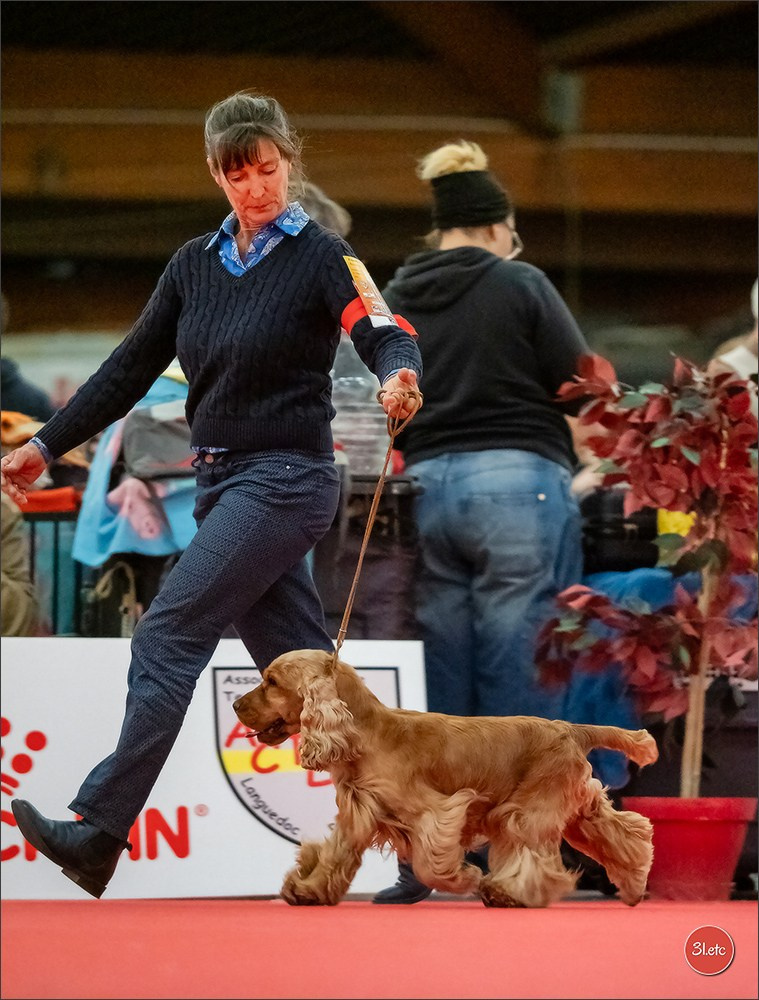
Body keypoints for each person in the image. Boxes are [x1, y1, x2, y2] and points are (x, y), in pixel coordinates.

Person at [1, 90, 422, 899]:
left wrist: (398, 374)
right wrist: (45, 445)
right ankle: (418, 847)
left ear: (289, 163)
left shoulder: (322, 255)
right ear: (214, 175)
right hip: (224, 483)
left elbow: (382, 329)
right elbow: (126, 370)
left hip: (287, 481)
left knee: (166, 637)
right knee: (312, 688)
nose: (255, 187)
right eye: (237, 175)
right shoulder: (192, 265)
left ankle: (97, 831)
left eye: (266, 169)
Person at [373, 139, 592, 902]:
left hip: (422, 489)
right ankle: (521, 865)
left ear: (440, 231)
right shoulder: (519, 280)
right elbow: (579, 380)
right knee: (520, 672)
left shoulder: (396, 292)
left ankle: (435, 861)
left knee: (443, 687)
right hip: (516, 488)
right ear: (497, 227)